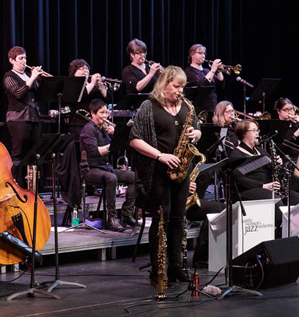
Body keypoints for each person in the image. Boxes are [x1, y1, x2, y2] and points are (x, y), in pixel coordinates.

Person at [129, 65, 202, 285]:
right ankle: (157, 271)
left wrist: (196, 134)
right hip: (157, 171)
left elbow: (198, 130)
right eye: (177, 86)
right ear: (165, 83)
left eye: (183, 87)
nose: (180, 91)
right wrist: (161, 155)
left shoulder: (187, 107)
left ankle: (176, 268)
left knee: (179, 220)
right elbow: (134, 139)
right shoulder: (148, 106)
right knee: (162, 220)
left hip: (182, 171)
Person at [80, 99, 137, 231]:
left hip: (105, 167)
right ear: (93, 114)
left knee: (134, 177)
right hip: (90, 169)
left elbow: (116, 148)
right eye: (102, 113)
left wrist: (115, 135)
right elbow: (95, 152)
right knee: (111, 178)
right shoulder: (88, 129)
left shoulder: (104, 130)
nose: (105, 116)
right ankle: (111, 219)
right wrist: (113, 143)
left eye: (107, 112)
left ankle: (127, 213)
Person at [230, 120, 286, 237]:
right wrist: (262, 186)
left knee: (292, 200)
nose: (257, 134)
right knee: (277, 203)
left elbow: (272, 170)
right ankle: (274, 236)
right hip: (247, 190)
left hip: (265, 187)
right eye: (254, 131)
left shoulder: (260, 151)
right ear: (244, 133)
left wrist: (278, 164)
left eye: (257, 130)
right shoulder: (236, 153)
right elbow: (238, 178)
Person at [3, 46, 44, 187]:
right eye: (20, 58)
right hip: (18, 119)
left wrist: (38, 78)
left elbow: (39, 95)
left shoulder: (28, 75)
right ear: (11, 60)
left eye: (25, 58)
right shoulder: (9, 76)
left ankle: (31, 189)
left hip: (33, 118)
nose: (24, 61)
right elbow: (18, 93)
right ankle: (15, 186)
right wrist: (32, 78)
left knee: (34, 154)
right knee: (19, 154)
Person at [67, 59, 111, 140]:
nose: (85, 70)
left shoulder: (92, 84)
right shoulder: (72, 84)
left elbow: (108, 100)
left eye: (86, 68)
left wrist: (101, 88)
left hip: (97, 122)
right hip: (80, 123)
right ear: (74, 73)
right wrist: (92, 83)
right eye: (81, 68)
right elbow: (79, 96)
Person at [184, 44, 224, 114]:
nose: (203, 56)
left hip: (213, 108)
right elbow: (202, 85)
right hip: (200, 110)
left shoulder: (207, 71)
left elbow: (220, 86)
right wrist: (213, 69)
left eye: (204, 53)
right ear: (192, 54)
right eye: (200, 53)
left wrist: (219, 72)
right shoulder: (188, 72)